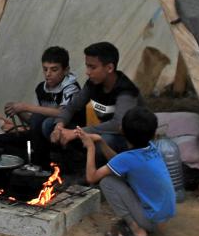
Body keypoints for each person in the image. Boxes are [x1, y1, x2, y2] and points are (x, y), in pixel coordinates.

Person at [72, 107, 175, 236]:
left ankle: (138, 231)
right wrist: (100, 141)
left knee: (107, 182)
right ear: (153, 133)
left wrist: (90, 147)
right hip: (163, 217)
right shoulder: (150, 147)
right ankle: (140, 222)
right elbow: (119, 163)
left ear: (122, 130)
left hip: (152, 221)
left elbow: (92, 177)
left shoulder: (128, 158)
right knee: (117, 175)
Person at [49, 41, 142, 179]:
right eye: (87, 66)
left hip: (124, 140)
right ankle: (72, 168)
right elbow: (72, 107)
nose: (87, 72)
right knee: (48, 125)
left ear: (109, 68)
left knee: (105, 140)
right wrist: (59, 126)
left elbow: (117, 125)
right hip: (98, 131)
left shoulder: (126, 91)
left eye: (92, 67)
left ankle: (98, 177)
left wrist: (76, 133)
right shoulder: (93, 84)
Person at [0, 46, 78, 164]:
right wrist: (18, 111)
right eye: (45, 69)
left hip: (63, 132)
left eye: (54, 70)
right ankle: (29, 160)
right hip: (39, 137)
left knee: (45, 123)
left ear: (66, 70)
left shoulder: (71, 87)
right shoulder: (41, 88)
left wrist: (25, 107)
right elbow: (33, 122)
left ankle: (40, 163)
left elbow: (64, 112)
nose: (48, 74)